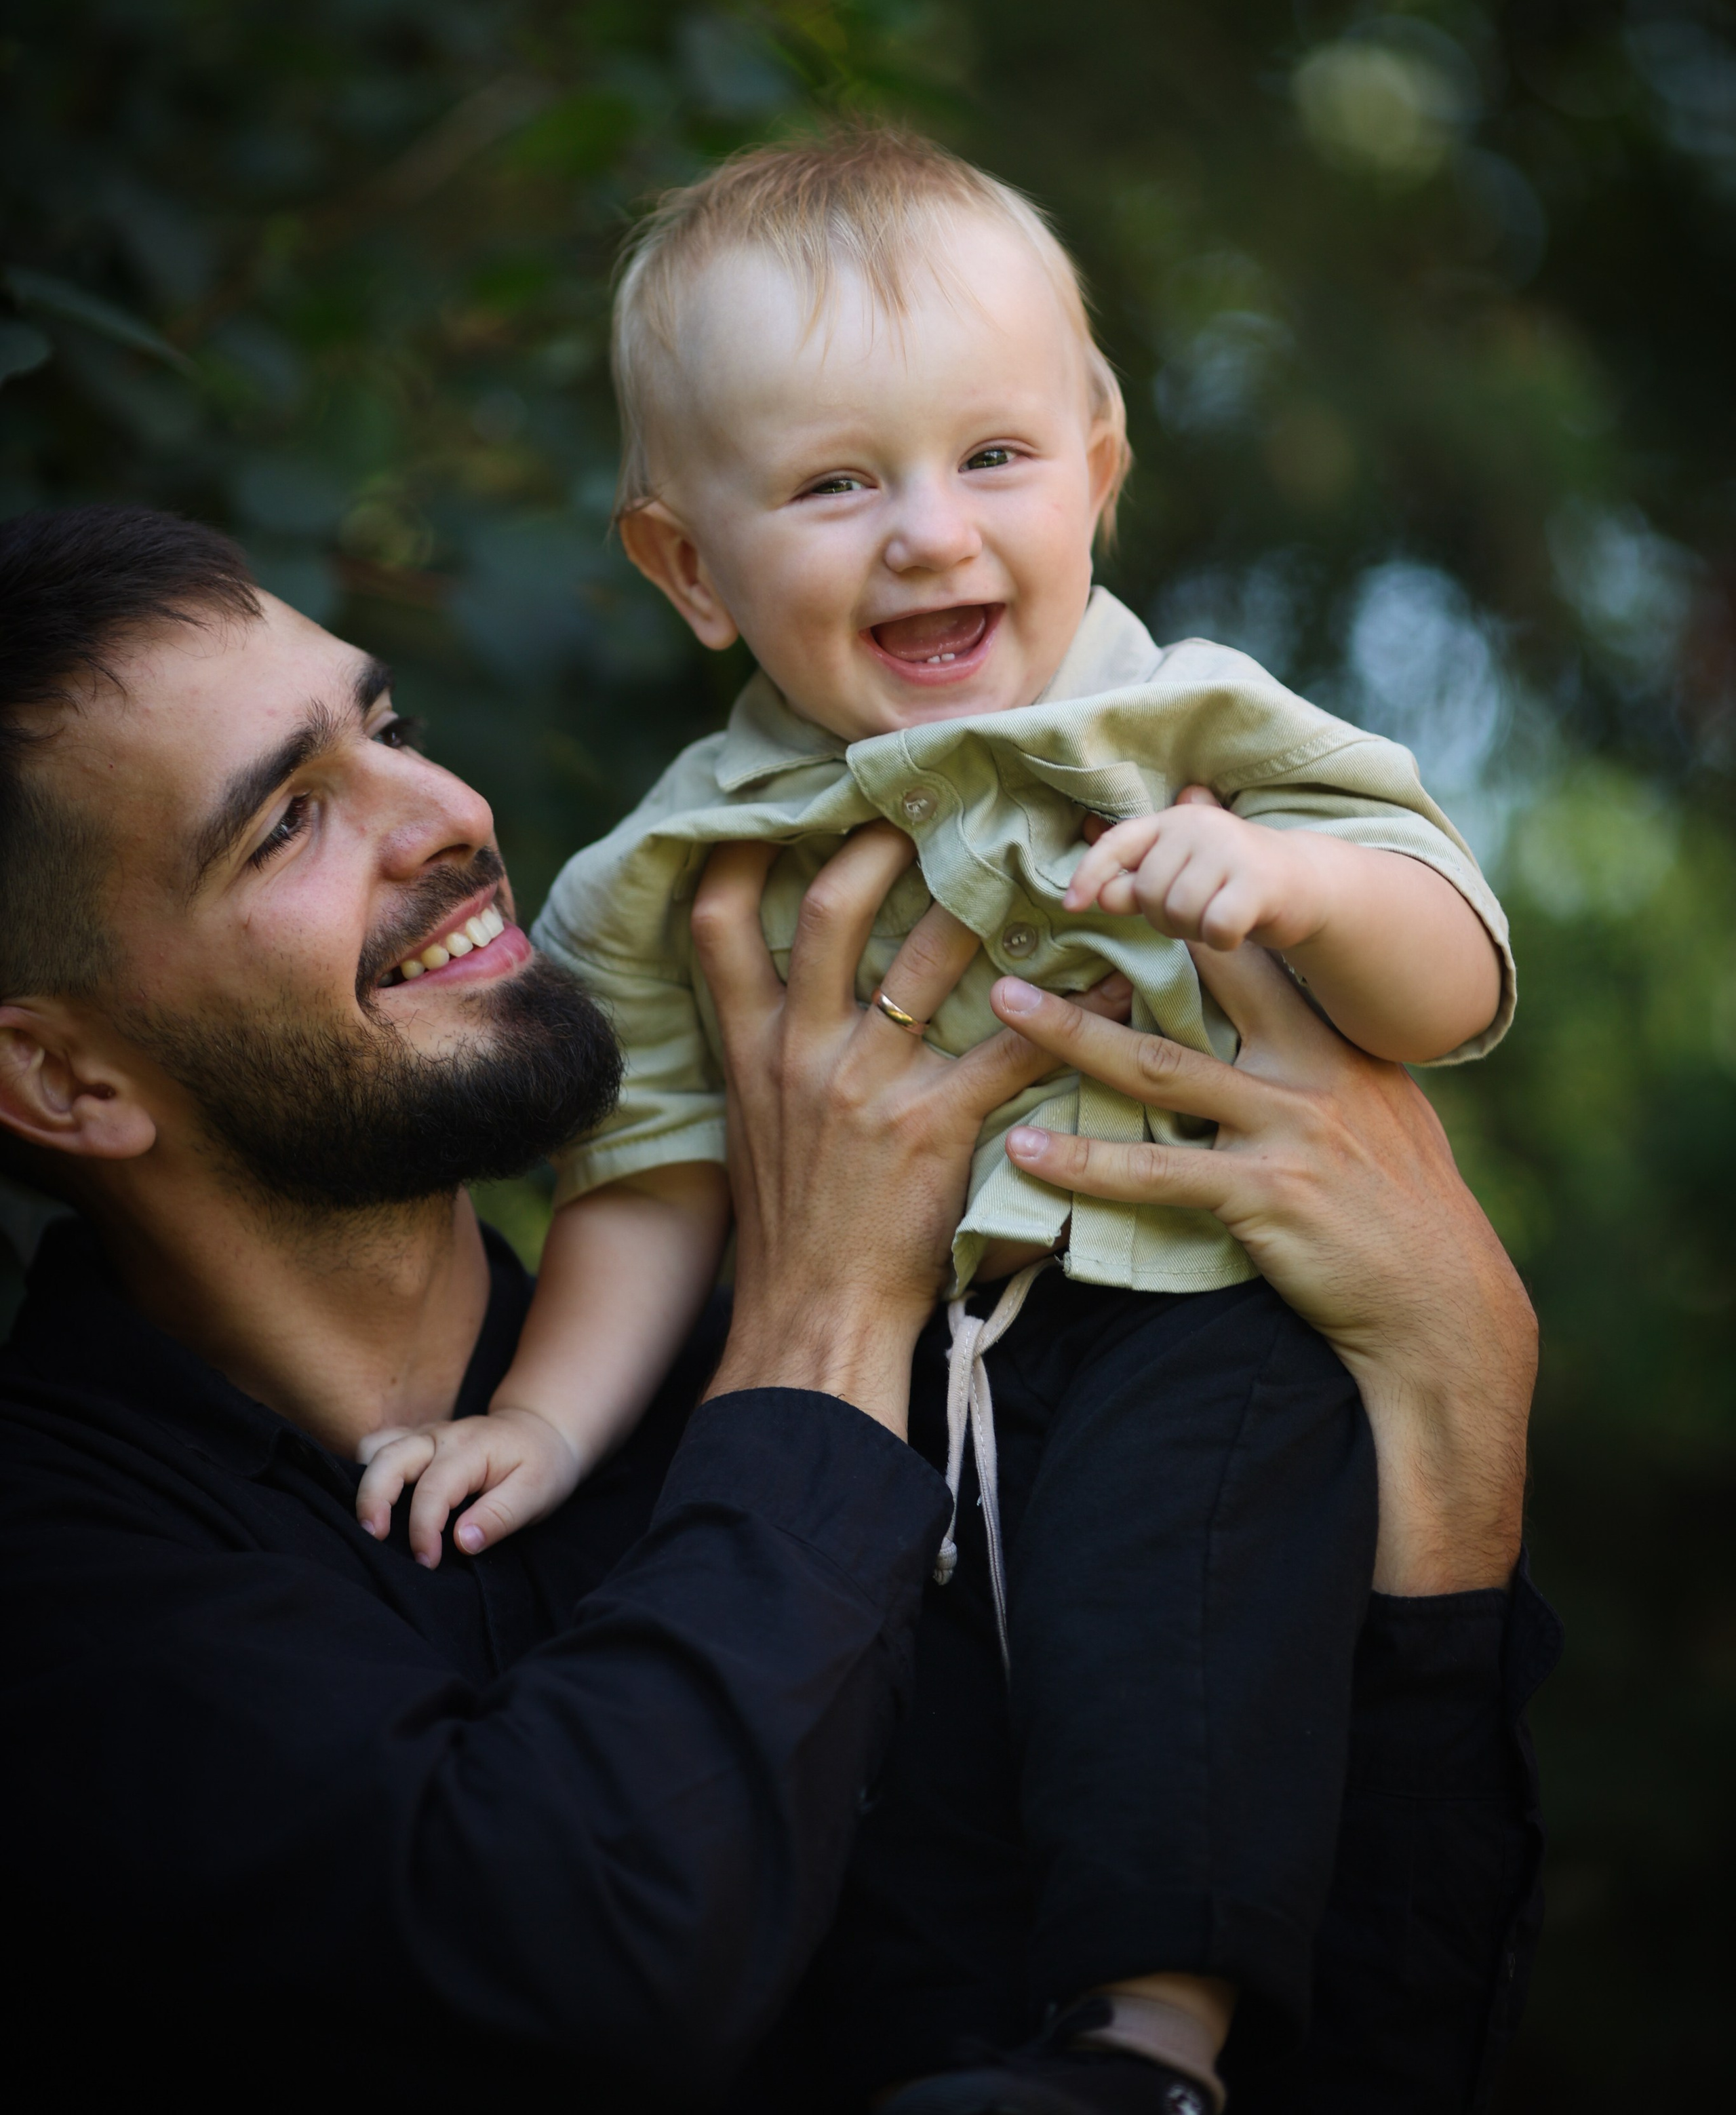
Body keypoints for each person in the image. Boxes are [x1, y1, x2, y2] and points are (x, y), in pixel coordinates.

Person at [0, 506, 1553, 2112]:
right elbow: (586, 1971)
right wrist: (819, 1313)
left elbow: (1344, 2051)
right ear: (62, 1076)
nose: (448, 815)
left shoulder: (870, 1402)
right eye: (287, 824)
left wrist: (1454, 1387)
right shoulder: (58, 1584)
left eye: (388, 730)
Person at [362, 129, 1517, 2106]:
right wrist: (539, 1421)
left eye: (993, 458)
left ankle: (1159, 2044)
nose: (929, 533)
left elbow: (1462, 968)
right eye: (833, 484)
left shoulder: (1194, 730)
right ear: (690, 568)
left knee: (1182, 1644)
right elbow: (647, 1184)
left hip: (1197, 1313)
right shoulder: (677, 866)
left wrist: (1301, 886)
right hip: (901, 1376)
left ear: (1099, 469)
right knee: (911, 1737)